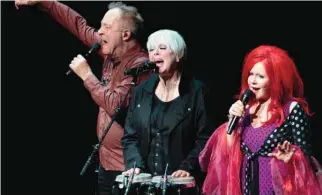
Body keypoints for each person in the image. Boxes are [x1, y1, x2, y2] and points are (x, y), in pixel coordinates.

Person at [15, 1, 151, 195]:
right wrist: (44, 1)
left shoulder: (140, 66)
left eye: (107, 27)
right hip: (106, 163)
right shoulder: (110, 53)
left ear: (126, 35)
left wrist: (87, 76)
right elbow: (79, 25)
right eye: (101, 25)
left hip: (129, 166)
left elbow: (116, 106)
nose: (100, 31)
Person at [199, 45, 322, 195]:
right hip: (246, 187)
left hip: (277, 188)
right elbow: (228, 156)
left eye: (261, 76)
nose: (253, 81)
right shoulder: (245, 110)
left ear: (276, 80)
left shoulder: (291, 109)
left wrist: (291, 158)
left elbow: (307, 161)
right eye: (251, 74)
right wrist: (232, 120)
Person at [121, 29, 213, 194]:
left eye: (162, 48)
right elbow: (130, 135)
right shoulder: (141, 91)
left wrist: (188, 167)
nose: (155, 53)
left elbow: (205, 138)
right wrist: (135, 164)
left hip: (179, 184)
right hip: (145, 184)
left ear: (178, 55)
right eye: (151, 50)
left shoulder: (197, 92)